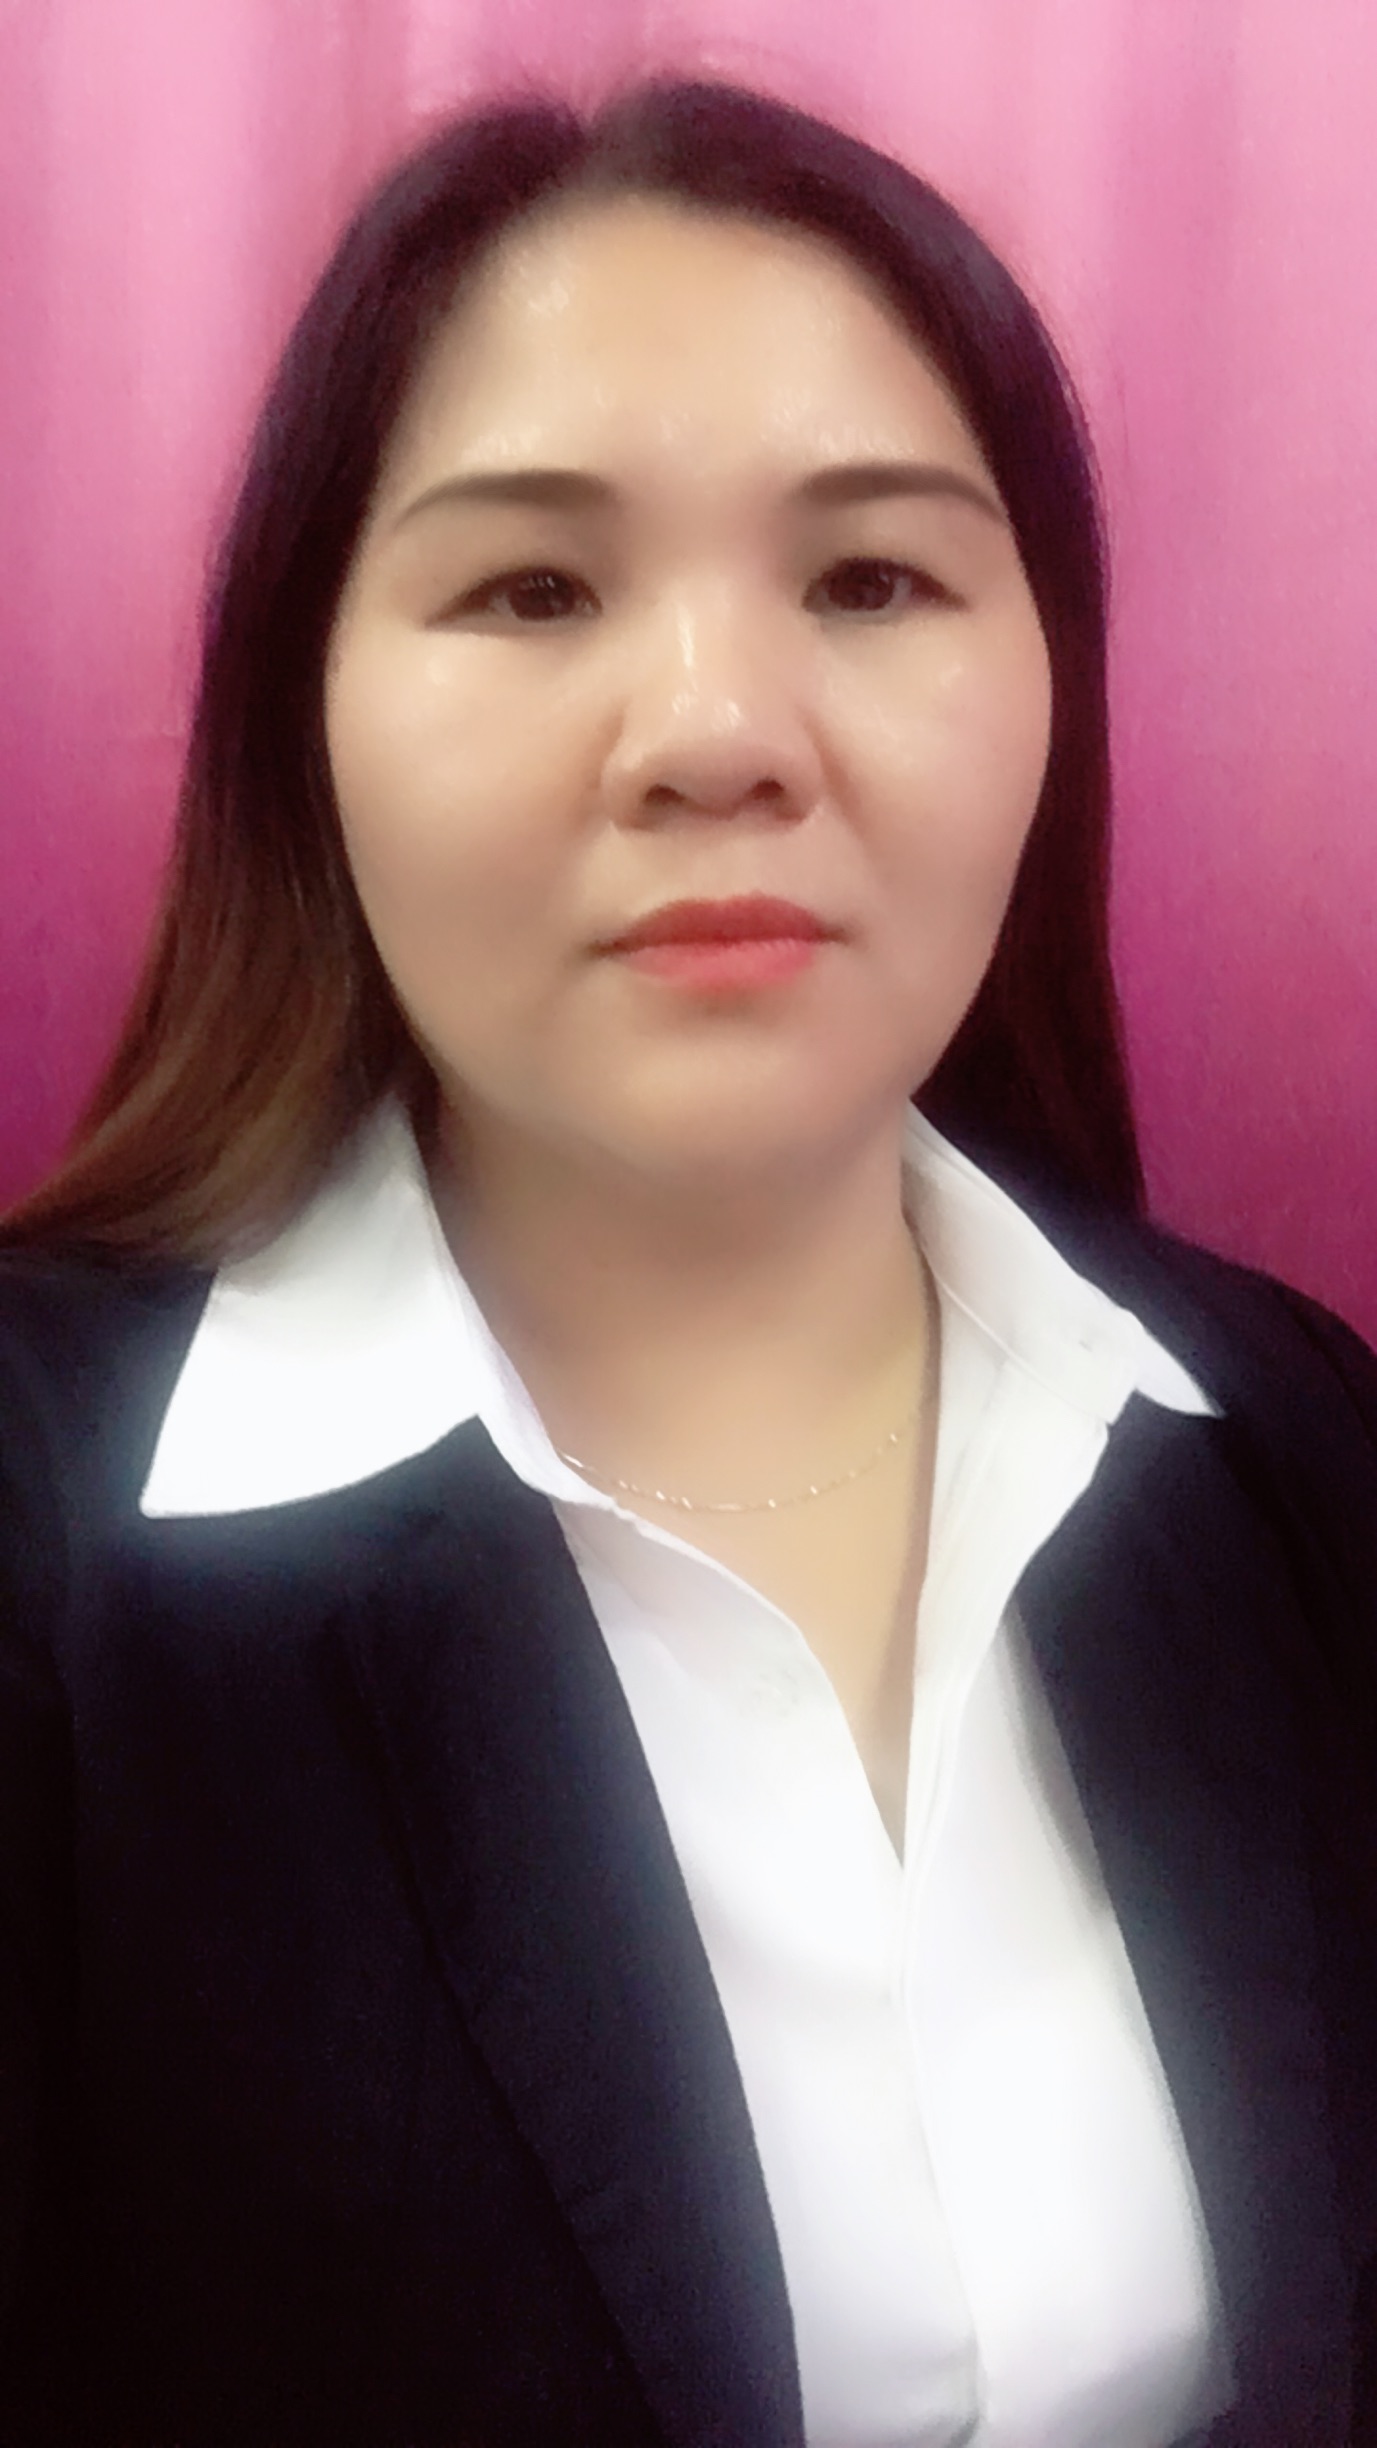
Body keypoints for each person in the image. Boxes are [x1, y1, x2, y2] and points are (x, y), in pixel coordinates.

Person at [0, 73, 1374, 2448]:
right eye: (532, 589)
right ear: (303, 716)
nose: (719, 736)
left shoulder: (1290, 1444)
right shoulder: (44, 1571)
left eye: (869, 581)